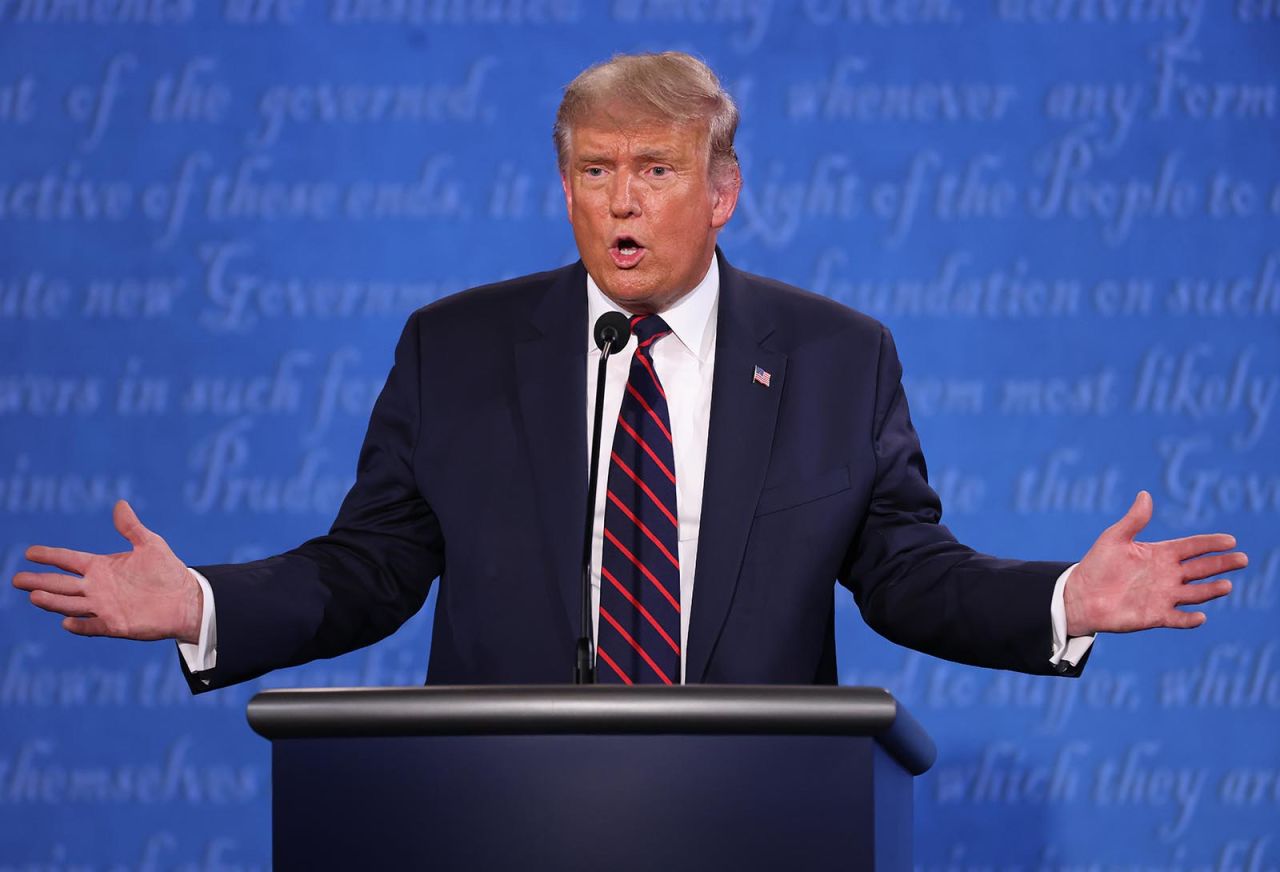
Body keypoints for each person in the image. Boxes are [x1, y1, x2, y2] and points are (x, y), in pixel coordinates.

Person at [13, 53, 1246, 689]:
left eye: (653, 169)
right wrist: (205, 606)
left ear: (721, 191)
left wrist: (1060, 603)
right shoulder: (457, 347)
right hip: (497, 818)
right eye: (591, 170)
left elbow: (904, 574)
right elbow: (370, 569)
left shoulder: (832, 357)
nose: (619, 200)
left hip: (752, 819)